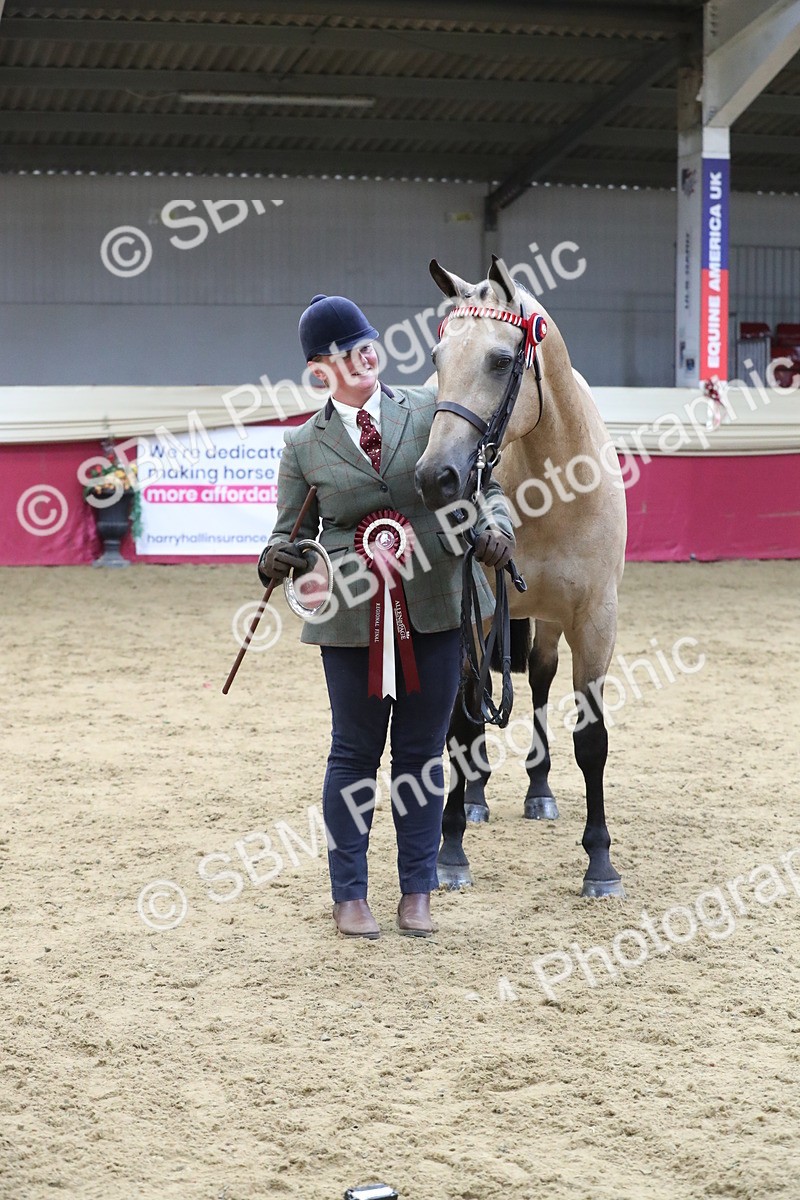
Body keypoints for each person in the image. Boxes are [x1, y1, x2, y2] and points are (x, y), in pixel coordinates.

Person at [257, 293, 515, 940]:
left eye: (368, 342)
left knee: (422, 756)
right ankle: (349, 895)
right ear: (321, 367)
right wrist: (275, 559)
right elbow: (288, 529)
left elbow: (488, 487)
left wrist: (497, 530)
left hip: (436, 604)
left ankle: (417, 892)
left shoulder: (431, 411)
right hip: (348, 619)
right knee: (352, 754)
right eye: (347, 351)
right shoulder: (302, 446)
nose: (365, 356)